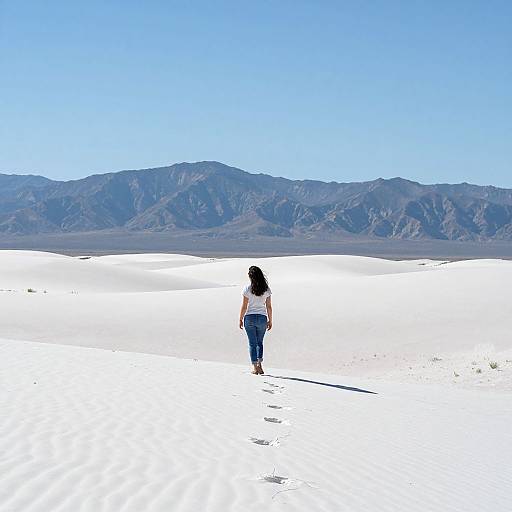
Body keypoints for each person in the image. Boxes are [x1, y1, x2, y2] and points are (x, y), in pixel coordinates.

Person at [239, 265, 273, 375]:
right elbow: (269, 306)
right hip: (262, 318)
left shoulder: (247, 289)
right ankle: (260, 365)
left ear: (250, 277)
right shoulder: (266, 289)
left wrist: (240, 318)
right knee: (260, 342)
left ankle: (254, 367)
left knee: (252, 343)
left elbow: (244, 306)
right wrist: (270, 320)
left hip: (249, 318)